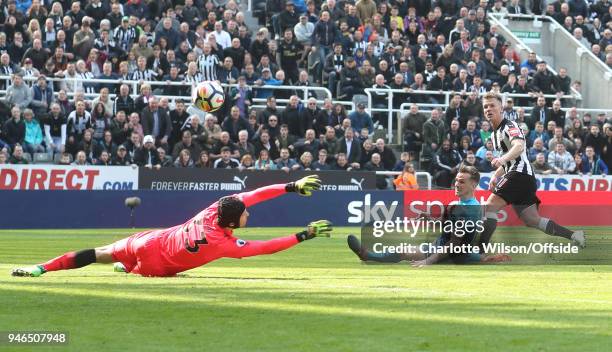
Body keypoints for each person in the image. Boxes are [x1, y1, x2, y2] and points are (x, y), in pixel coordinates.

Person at [12, 176, 332, 277]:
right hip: (156, 264)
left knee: (97, 254)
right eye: (245, 215)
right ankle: (128, 270)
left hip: (148, 240)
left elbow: (255, 194)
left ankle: (41, 269)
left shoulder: (213, 210)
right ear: (233, 222)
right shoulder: (222, 242)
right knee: (130, 271)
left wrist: (291, 186)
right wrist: (304, 234)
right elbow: (264, 247)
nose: (249, 214)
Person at [477, 92, 585, 250]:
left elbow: (519, 146)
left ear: (501, 108)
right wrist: (495, 174)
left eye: (492, 105)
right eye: (485, 106)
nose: (488, 109)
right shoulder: (494, 135)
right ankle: (575, 235)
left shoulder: (510, 126)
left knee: (490, 206)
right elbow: (510, 159)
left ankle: (479, 251)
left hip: (520, 174)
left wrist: (501, 159)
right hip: (523, 177)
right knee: (532, 220)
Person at [347, 166, 510, 266]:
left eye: (462, 182)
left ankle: (367, 255)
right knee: (405, 249)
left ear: (473, 185)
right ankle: (484, 258)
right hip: (443, 246)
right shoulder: (460, 205)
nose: (456, 184)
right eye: (457, 181)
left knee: (404, 251)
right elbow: (449, 226)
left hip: (450, 251)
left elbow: (455, 243)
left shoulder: (469, 209)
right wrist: (430, 219)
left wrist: (429, 261)